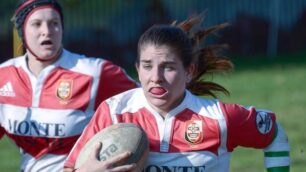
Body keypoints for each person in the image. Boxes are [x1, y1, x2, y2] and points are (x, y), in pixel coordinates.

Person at [64, 15, 291, 172]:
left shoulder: (219, 118)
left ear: (189, 71)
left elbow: (274, 135)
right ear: (137, 68)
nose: (156, 77)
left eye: (169, 67)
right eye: (147, 66)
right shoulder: (115, 112)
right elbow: (70, 167)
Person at [0, 0, 137, 171]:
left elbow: (149, 103)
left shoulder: (95, 72)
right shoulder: (3, 76)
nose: (47, 31)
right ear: (22, 32)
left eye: (54, 23)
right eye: (37, 24)